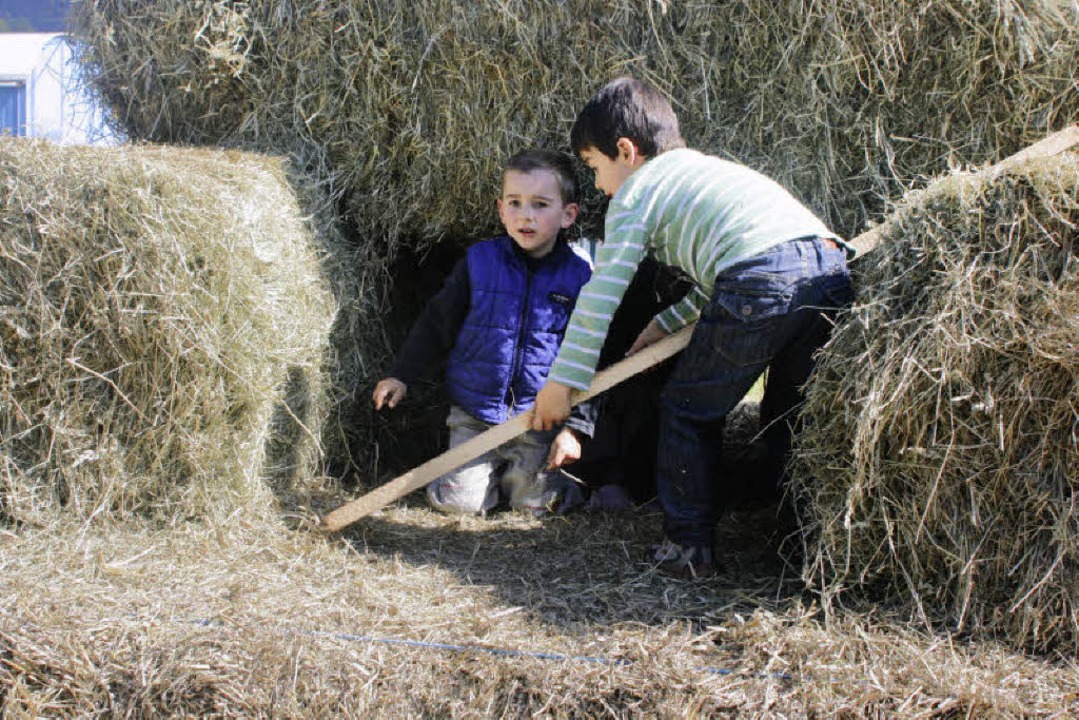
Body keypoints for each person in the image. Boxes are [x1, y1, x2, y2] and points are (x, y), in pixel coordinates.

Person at [533, 77, 854, 576]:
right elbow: (723, 275)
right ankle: (809, 547)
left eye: (595, 168)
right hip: (828, 263)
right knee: (790, 416)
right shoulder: (707, 174)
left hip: (760, 273)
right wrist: (665, 324)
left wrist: (562, 383)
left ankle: (686, 547)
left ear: (626, 151)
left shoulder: (637, 194)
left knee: (686, 410)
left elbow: (603, 292)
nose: (598, 185)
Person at [373, 148, 595, 516]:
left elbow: (590, 355)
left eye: (540, 205)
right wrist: (402, 374)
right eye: (515, 202)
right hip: (475, 411)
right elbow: (436, 321)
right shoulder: (479, 262)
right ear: (501, 209)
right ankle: (472, 479)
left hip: (538, 417)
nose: (526, 214)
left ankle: (560, 488)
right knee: (459, 505)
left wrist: (575, 429)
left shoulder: (579, 278)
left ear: (568, 214)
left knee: (536, 507)